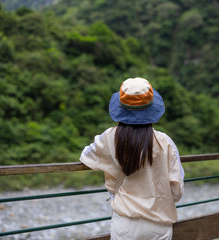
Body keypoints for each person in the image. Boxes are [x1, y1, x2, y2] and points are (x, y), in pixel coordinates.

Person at [79, 77, 185, 240]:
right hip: (158, 222)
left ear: (121, 108)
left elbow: (86, 156)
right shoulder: (165, 142)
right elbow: (176, 191)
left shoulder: (109, 137)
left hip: (125, 223)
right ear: (151, 108)